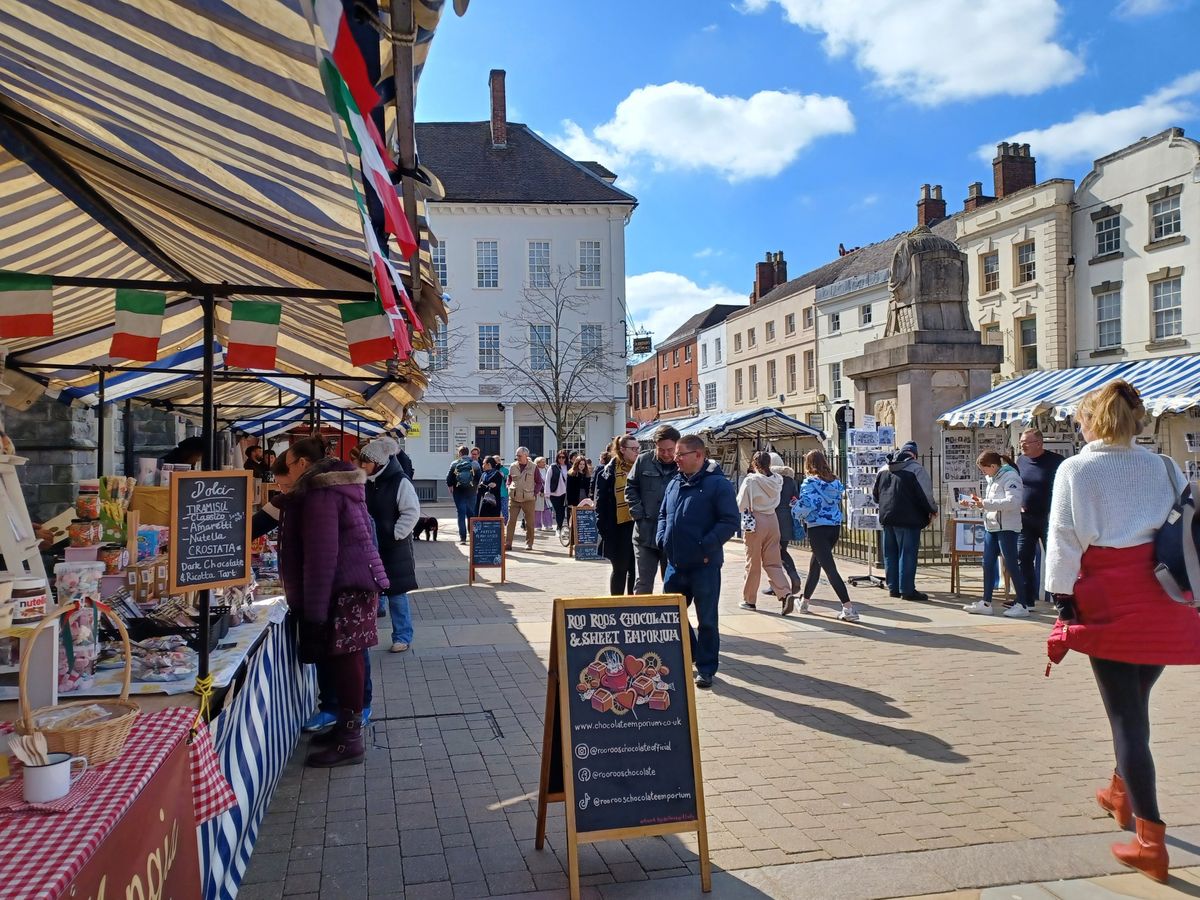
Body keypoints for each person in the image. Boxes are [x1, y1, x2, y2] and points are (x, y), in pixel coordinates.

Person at [1044, 380, 1200, 884]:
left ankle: (1150, 841)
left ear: (1092, 421)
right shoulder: (1164, 466)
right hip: (1162, 593)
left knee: (1125, 718)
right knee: (1137, 703)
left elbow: (1065, 536)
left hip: (1107, 593)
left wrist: (1060, 596)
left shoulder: (1077, 467)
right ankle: (1119, 792)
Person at [278, 437, 388, 767]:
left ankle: (350, 740)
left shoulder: (321, 494)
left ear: (300, 465)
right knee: (346, 658)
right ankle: (344, 727)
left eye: (284, 470)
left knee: (347, 659)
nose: (283, 478)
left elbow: (321, 556)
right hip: (350, 583)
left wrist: (312, 614)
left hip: (346, 586)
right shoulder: (328, 489)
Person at [657, 434, 739, 689]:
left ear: (699, 456)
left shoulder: (718, 484)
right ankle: (690, 654)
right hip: (675, 564)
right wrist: (662, 538)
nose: (675, 459)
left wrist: (706, 546)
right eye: (676, 455)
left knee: (707, 620)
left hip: (704, 565)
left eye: (681, 455)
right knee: (670, 615)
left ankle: (705, 668)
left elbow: (729, 521)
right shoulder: (674, 482)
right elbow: (663, 514)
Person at [358, 437, 420, 653]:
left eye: (365, 462)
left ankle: (402, 635)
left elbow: (411, 511)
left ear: (378, 462)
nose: (362, 466)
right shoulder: (365, 481)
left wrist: (395, 533)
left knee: (396, 593)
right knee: (371, 592)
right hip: (369, 546)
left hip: (394, 547)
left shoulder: (399, 481)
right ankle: (367, 635)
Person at [962, 451, 1029, 617]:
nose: (984, 473)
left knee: (1012, 564)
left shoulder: (1010, 477)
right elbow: (990, 504)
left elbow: (1013, 502)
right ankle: (986, 602)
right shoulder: (992, 478)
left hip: (1006, 527)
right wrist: (976, 503)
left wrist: (984, 503)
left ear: (993, 466)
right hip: (992, 526)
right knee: (987, 563)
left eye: (984, 470)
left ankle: (1022, 604)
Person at [793, 450, 858, 621]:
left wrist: (795, 508)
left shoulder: (809, 482)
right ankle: (804, 602)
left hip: (817, 527)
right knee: (816, 564)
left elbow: (808, 504)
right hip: (834, 527)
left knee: (829, 568)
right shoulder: (835, 482)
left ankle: (848, 608)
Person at [872, 440, 937, 602]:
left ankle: (893, 588)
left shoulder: (884, 469)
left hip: (887, 517)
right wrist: (932, 510)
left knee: (890, 553)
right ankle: (907, 590)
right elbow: (926, 495)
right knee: (907, 554)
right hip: (909, 518)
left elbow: (875, 496)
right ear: (914, 454)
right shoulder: (916, 469)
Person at [736, 451, 795, 612]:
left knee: (753, 563)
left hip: (756, 521)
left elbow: (741, 504)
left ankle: (749, 600)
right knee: (773, 562)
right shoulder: (778, 480)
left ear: (754, 464)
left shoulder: (751, 481)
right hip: (772, 520)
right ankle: (785, 593)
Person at [626, 425, 679, 594]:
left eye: (670, 450)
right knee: (643, 583)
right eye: (661, 449)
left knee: (672, 583)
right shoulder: (643, 461)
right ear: (655, 445)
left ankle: (671, 618)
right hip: (645, 533)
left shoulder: (683, 464)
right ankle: (639, 618)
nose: (666, 454)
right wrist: (638, 514)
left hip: (671, 536)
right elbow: (630, 487)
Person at [1015, 428, 1063, 609]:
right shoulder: (1021, 461)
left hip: (1049, 518)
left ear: (1039, 443)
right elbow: (1018, 485)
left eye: (1026, 442)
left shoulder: (1056, 462)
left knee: (1055, 557)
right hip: (1025, 518)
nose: (1022, 446)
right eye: (1021, 442)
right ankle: (1027, 599)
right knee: (1023, 556)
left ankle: (1060, 599)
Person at [595, 436, 639, 595]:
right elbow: (601, 503)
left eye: (638, 448)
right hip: (617, 526)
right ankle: (617, 606)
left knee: (636, 570)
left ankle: (634, 608)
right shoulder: (608, 471)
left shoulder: (641, 468)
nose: (637, 452)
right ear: (622, 450)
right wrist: (603, 528)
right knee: (620, 569)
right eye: (633, 449)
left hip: (637, 524)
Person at [762, 452, 802, 598]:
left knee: (772, 553)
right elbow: (796, 498)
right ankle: (791, 576)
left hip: (773, 517)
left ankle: (780, 584)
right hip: (787, 519)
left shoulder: (770, 479)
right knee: (782, 550)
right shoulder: (790, 480)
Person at [505, 446, 542, 551]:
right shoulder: (513, 466)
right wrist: (509, 487)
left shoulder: (534, 467)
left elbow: (539, 482)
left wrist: (534, 493)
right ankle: (508, 543)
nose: (517, 457)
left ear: (526, 455)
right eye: (517, 455)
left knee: (529, 523)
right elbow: (509, 479)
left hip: (528, 499)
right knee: (511, 521)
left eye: (520, 455)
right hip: (514, 498)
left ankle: (529, 543)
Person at [446, 445, 480, 545]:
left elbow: (449, 478)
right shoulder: (474, 463)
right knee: (471, 514)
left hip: (458, 492)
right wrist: (475, 487)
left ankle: (463, 538)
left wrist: (450, 486)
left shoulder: (454, 463)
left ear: (460, 453)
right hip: (471, 492)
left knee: (461, 514)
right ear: (468, 453)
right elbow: (479, 477)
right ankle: (472, 536)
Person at [547, 449, 570, 533]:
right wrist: (547, 492)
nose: (561, 459)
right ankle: (559, 527)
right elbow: (548, 479)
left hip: (565, 493)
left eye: (563, 457)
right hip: (554, 493)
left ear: (566, 458)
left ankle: (560, 527)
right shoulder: (553, 467)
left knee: (563, 512)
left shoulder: (569, 467)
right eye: (559, 457)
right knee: (557, 511)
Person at [533, 456, 555, 531]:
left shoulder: (548, 469)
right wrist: (539, 491)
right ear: (538, 463)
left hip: (547, 492)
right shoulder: (535, 470)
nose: (544, 463)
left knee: (547, 509)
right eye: (542, 462)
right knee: (538, 510)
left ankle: (548, 525)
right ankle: (537, 526)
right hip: (538, 492)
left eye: (544, 461)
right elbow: (534, 482)